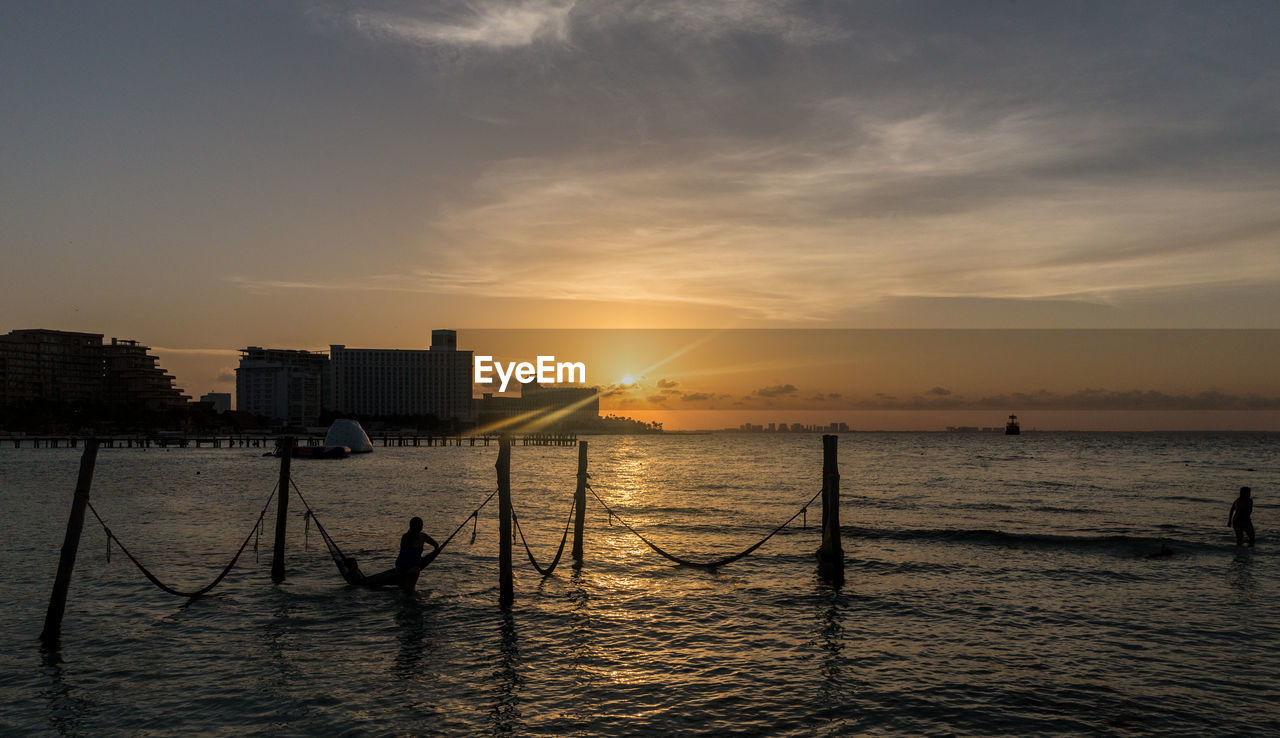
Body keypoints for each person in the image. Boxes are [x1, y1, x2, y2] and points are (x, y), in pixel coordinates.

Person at [396, 517, 440, 592]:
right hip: (413, 568)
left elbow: (406, 554)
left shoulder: (405, 536)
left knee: (404, 589)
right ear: (420, 527)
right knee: (410, 590)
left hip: (399, 565)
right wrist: (430, 555)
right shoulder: (422, 536)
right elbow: (436, 545)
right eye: (421, 525)